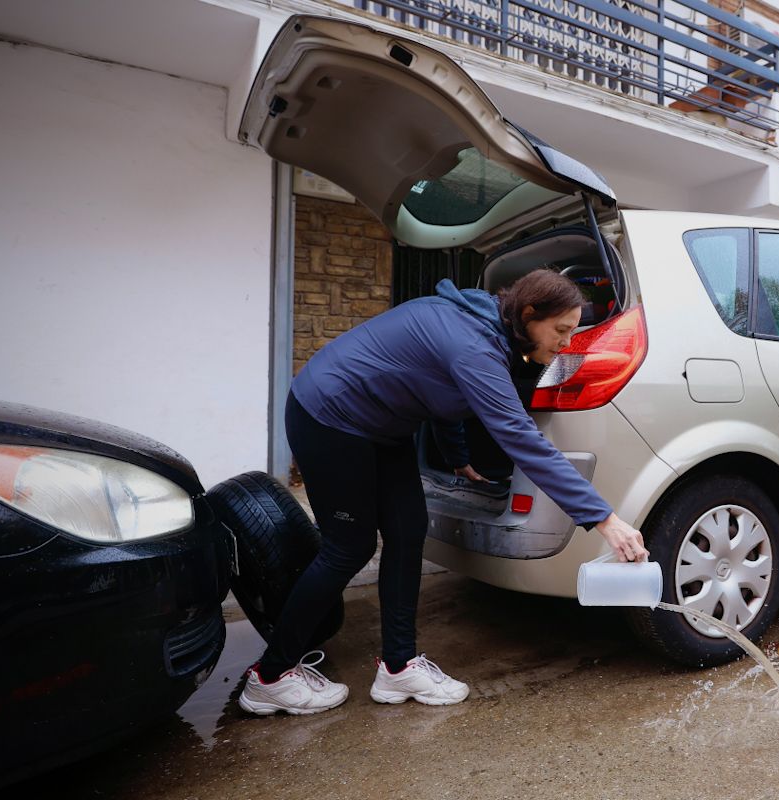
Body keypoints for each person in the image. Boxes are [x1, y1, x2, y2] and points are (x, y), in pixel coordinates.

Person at [238, 269, 649, 716]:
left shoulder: (486, 326)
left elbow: (437, 386)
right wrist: (604, 519)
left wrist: (456, 455)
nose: (566, 344)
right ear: (529, 314)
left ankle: (398, 667)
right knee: (348, 547)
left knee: (408, 529)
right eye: (562, 331)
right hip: (330, 415)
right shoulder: (474, 346)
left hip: (382, 424)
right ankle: (270, 677)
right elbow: (522, 439)